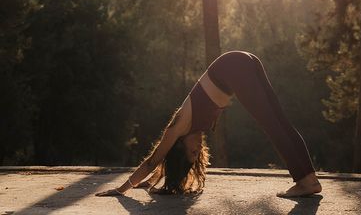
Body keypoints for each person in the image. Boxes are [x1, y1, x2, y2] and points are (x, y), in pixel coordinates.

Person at [96, 51, 322, 198]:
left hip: (234, 67)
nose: (199, 148)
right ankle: (310, 180)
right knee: (280, 122)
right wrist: (155, 182)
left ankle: (304, 182)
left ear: (179, 146)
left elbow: (152, 162)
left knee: (273, 125)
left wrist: (122, 189)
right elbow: (160, 168)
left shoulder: (177, 127)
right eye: (198, 153)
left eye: (192, 151)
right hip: (242, 62)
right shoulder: (193, 129)